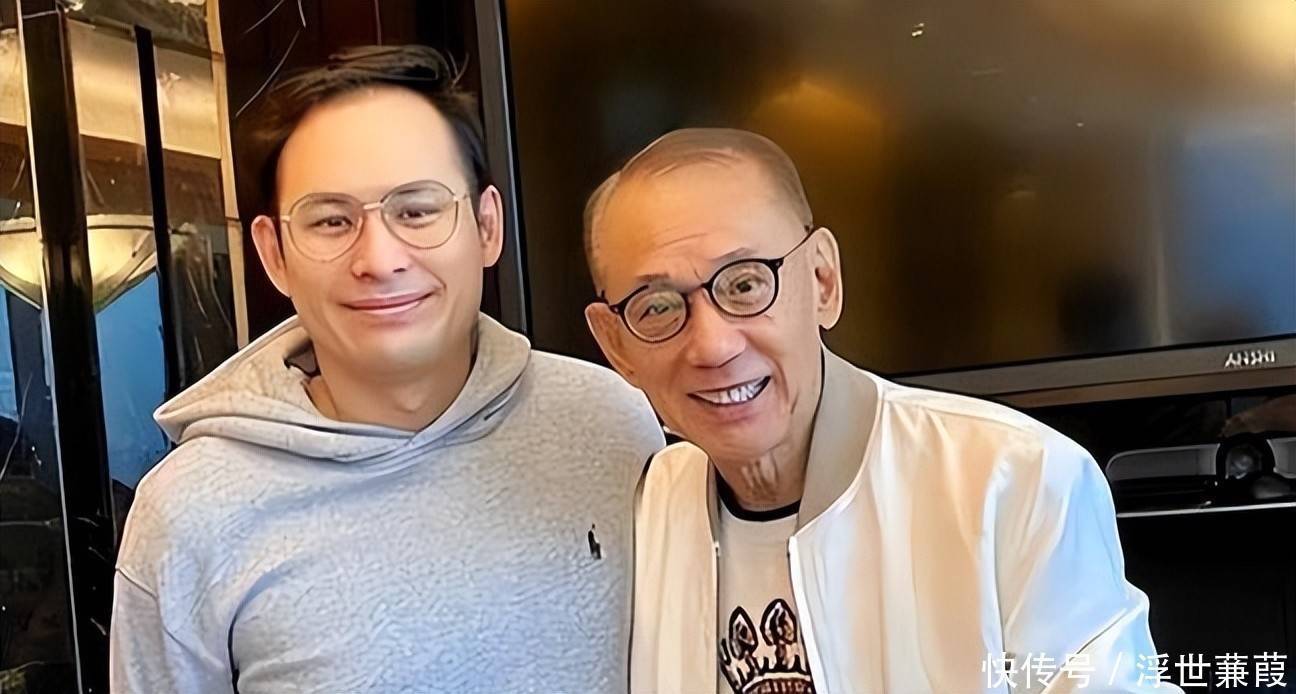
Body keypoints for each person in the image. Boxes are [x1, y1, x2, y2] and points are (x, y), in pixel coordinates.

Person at [109, 45, 663, 693]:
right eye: (331, 221)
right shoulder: (191, 513)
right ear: (274, 253)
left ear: (487, 226)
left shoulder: (610, 423)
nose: (379, 259)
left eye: (416, 211)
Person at [582, 128, 1176, 693]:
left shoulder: (1014, 479)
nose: (713, 346)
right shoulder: (636, 515)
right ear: (616, 345)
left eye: (745, 285)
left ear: (822, 280)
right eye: (658, 307)